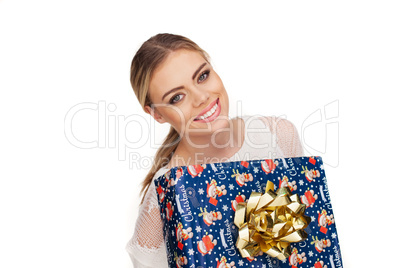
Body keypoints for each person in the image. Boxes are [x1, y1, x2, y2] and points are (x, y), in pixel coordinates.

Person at [125, 33, 304, 268]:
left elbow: (308, 239)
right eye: (177, 97)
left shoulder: (278, 135)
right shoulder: (165, 193)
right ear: (156, 114)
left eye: (202, 76)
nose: (201, 97)